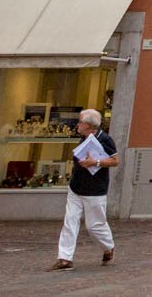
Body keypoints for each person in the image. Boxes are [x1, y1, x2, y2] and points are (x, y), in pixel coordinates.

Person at [50, 108, 119, 270]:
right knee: (70, 221)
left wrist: (95, 162)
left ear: (89, 125)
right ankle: (65, 259)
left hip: (95, 190)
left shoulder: (105, 139)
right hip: (76, 187)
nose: (78, 124)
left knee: (94, 226)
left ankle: (108, 247)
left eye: (80, 122)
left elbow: (115, 161)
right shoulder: (83, 137)